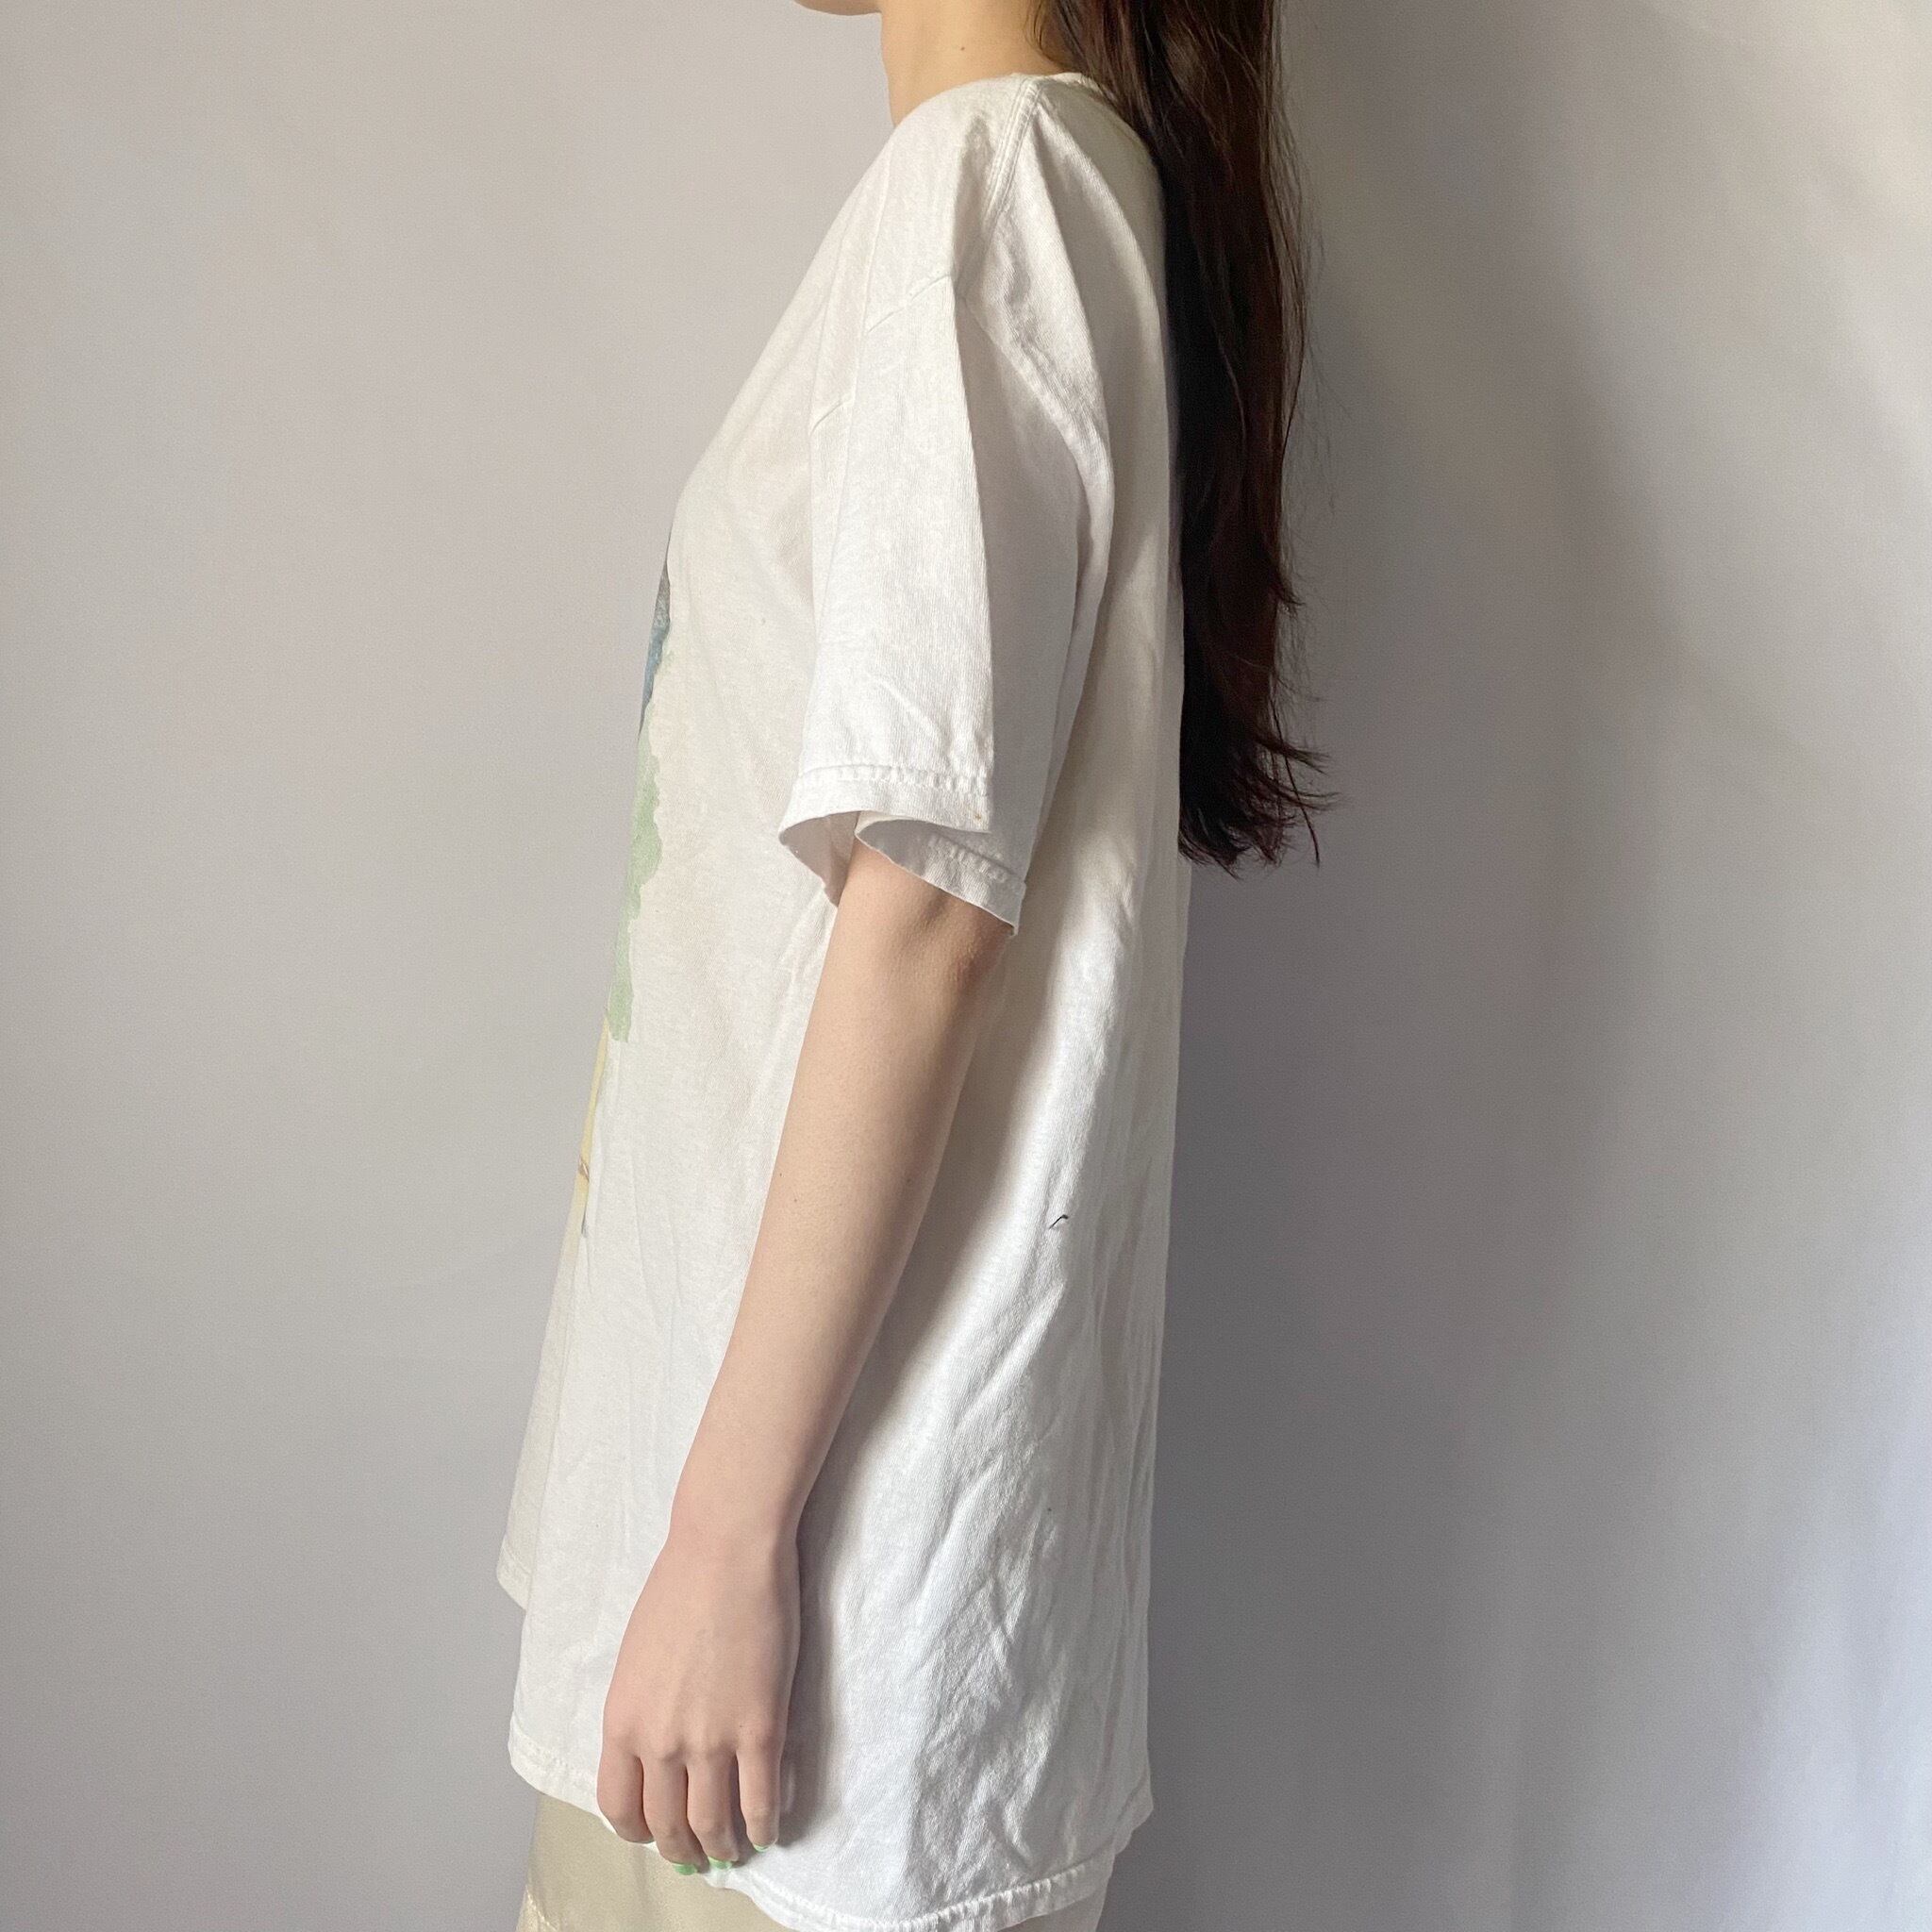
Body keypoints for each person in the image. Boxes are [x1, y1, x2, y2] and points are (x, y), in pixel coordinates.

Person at [498, 2, 1318, 1928]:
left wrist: (727, 1541)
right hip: (760, 1588)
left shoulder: (997, 182)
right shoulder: (1019, 188)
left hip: (803, 1640)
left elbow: (928, 914)